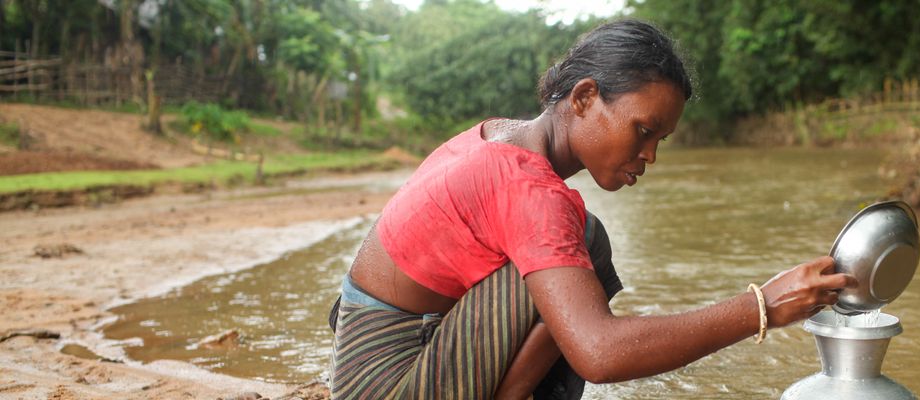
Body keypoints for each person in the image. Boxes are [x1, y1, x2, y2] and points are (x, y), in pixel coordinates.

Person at [327, 19, 855, 400]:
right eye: (643, 131)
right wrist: (761, 306)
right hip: (383, 379)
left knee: (580, 243)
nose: (649, 155)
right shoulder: (531, 190)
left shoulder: (497, 136)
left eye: (661, 139)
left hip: (363, 349)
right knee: (584, 247)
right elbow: (599, 354)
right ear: (582, 98)